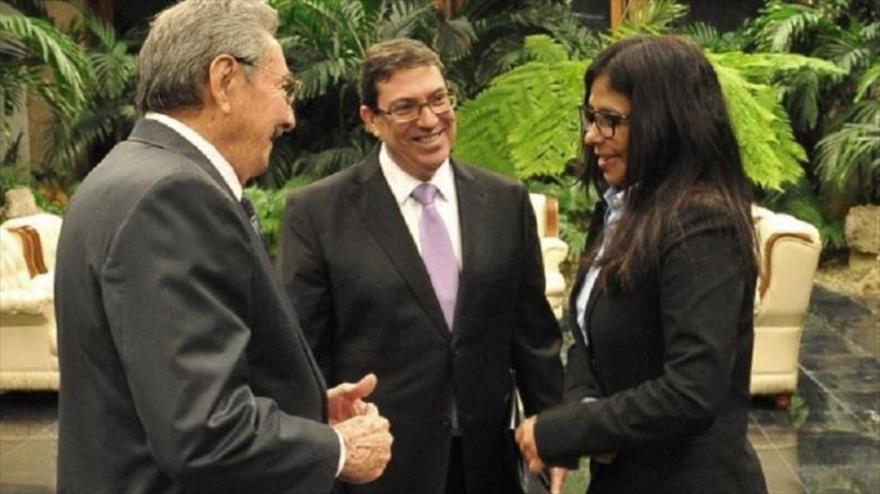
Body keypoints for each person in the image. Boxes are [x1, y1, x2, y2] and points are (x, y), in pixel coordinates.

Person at [54, 1, 393, 493]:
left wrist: (307, 412)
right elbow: (204, 430)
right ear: (224, 80)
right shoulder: (175, 197)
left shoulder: (121, 175)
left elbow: (159, 384)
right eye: (283, 87)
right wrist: (338, 449)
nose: (290, 115)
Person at [276, 38, 566, 494]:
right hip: (377, 469)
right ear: (371, 120)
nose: (430, 120)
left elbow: (533, 335)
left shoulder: (504, 201)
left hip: (485, 463)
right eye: (407, 108)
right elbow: (304, 350)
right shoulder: (318, 213)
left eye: (438, 99)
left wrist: (553, 430)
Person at [515, 35, 769, 494]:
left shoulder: (702, 224)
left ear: (667, 123)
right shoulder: (618, 211)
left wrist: (568, 429)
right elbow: (587, 343)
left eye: (611, 121)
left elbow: (693, 389)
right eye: (591, 117)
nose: (592, 135)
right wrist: (586, 412)